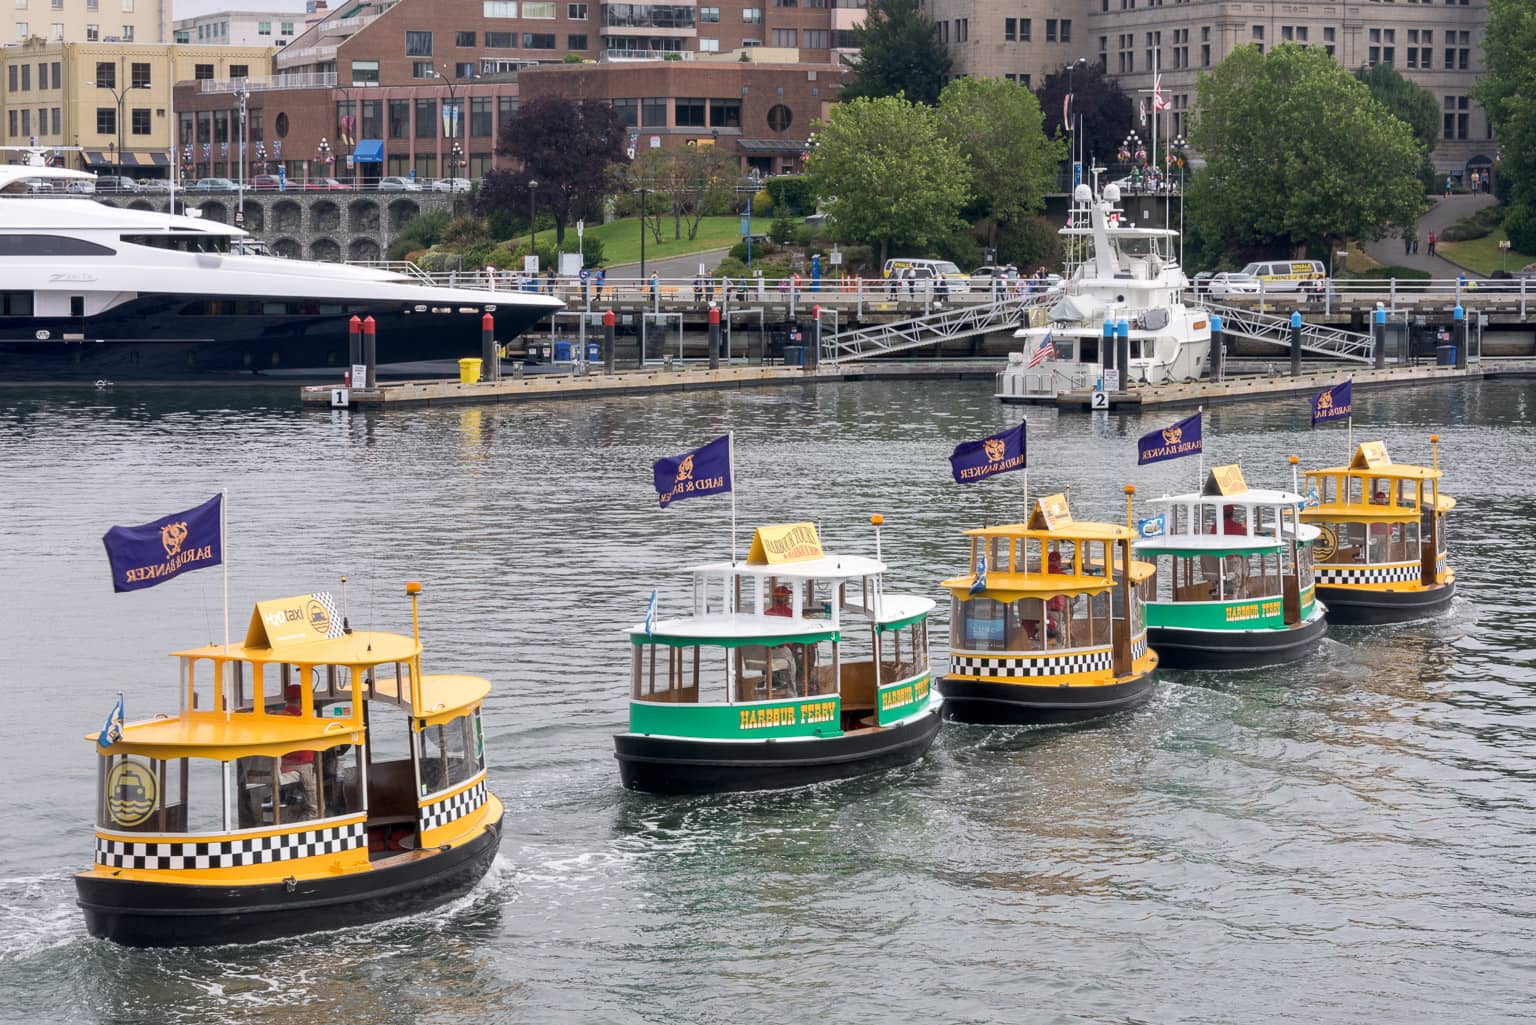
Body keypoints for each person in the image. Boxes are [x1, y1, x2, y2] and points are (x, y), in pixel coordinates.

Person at [279, 683, 319, 817]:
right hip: (301, 765)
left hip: (283, 764)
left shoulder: (279, 718)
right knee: (313, 794)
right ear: (302, 700)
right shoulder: (303, 718)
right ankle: (314, 818)